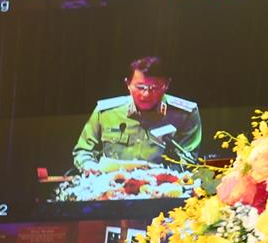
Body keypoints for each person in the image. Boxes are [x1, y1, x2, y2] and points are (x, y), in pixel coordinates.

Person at [72, 56, 201, 170]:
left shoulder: (184, 114)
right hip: (111, 183)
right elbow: (83, 151)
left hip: (162, 184)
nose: (146, 94)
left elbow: (188, 159)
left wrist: (160, 175)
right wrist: (91, 168)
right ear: (128, 84)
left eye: (155, 88)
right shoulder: (106, 112)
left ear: (166, 85)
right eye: (140, 87)